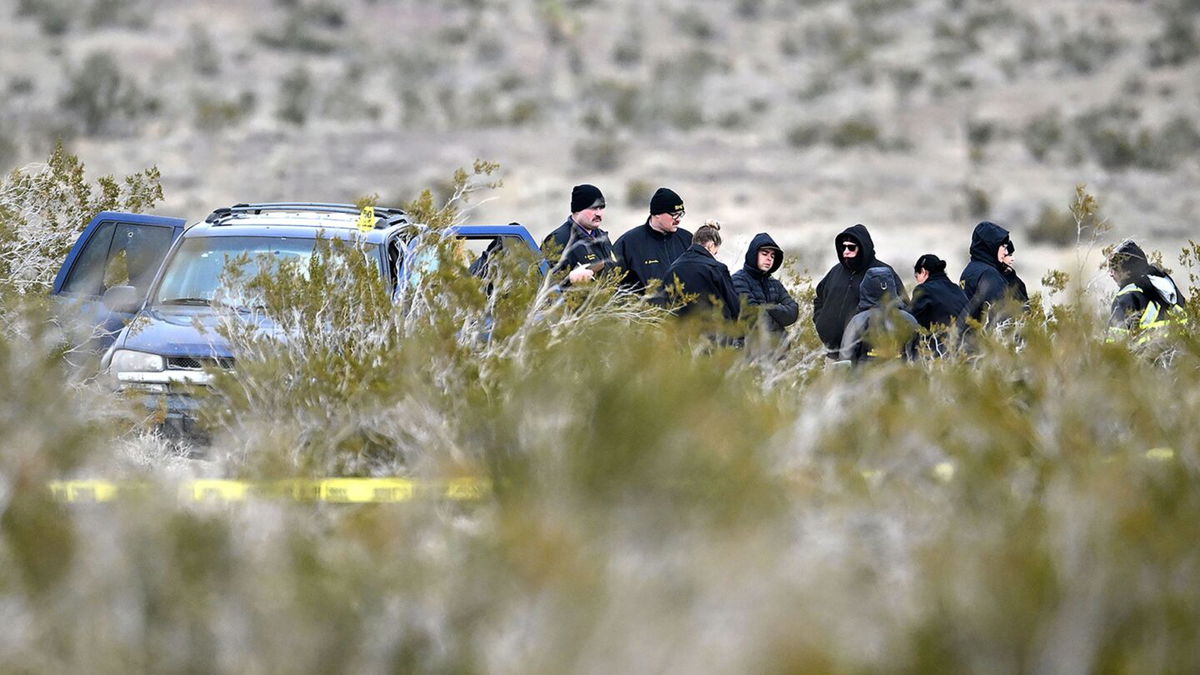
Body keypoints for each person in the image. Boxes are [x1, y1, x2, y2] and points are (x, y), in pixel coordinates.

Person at [813, 224, 905, 357]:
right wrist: (821, 323)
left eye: (851, 247)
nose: (845, 251)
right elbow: (819, 298)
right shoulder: (836, 271)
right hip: (832, 353)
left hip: (867, 357)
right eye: (843, 247)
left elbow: (901, 308)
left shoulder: (883, 273)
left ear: (863, 248)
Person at [613, 187, 692, 295]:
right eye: (674, 214)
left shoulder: (688, 239)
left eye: (681, 213)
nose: (678, 219)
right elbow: (611, 284)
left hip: (687, 311)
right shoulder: (628, 243)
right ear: (657, 214)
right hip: (645, 310)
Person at [1106, 239, 1188, 342]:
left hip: (1146, 355)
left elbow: (1115, 345)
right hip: (1184, 353)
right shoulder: (1165, 285)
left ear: (1128, 270)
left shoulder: (1126, 297)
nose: (1111, 273)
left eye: (1114, 268)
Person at [839, 267, 920, 365]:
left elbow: (846, 356)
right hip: (899, 376)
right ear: (893, 288)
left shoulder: (859, 320)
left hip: (865, 378)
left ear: (865, 288)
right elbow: (917, 356)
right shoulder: (909, 320)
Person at [731, 233, 799, 348]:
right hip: (747, 353)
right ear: (753, 254)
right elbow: (753, 315)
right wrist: (778, 316)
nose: (769, 259)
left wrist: (768, 308)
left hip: (778, 353)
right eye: (765, 254)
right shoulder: (738, 280)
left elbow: (793, 311)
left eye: (772, 256)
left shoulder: (775, 284)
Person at [541, 184, 617, 285]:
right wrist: (570, 279)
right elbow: (543, 282)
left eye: (601, 207)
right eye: (593, 208)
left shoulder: (602, 237)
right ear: (577, 210)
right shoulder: (558, 240)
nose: (598, 214)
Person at [665, 221, 739, 322]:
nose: (715, 256)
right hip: (714, 332)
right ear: (712, 245)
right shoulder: (716, 268)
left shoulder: (673, 268)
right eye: (716, 252)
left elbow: (664, 305)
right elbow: (734, 307)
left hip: (680, 333)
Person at [960, 221, 1028, 325]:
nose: (1005, 252)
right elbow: (1003, 316)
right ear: (991, 247)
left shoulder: (969, 270)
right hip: (985, 338)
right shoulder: (989, 274)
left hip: (967, 337)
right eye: (1003, 247)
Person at [910, 253, 968, 355]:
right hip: (964, 350)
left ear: (923, 272)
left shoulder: (924, 290)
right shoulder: (957, 289)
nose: (917, 281)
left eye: (916, 276)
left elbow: (911, 320)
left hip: (939, 352)